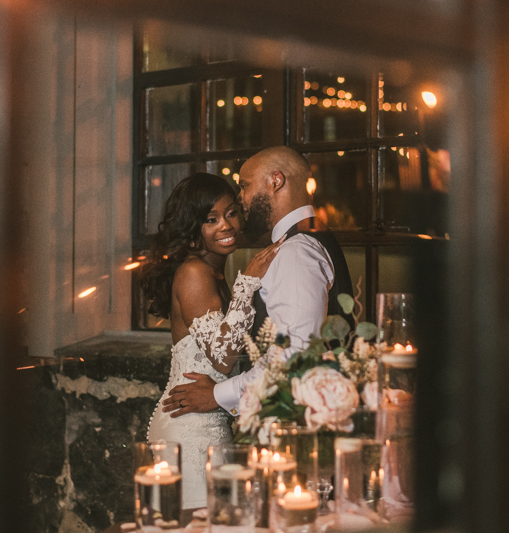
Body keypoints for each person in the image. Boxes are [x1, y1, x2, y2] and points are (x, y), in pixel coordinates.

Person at [162, 146, 354, 422]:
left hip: (292, 420)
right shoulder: (308, 239)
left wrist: (217, 395)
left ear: (275, 181)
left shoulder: (295, 251)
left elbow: (293, 356)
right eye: (212, 219)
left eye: (245, 186)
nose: (241, 199)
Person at [141, 172, 282, 509]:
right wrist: (247, 284)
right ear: (192, 231)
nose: (227, 226)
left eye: (231, 213)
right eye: (211, 219)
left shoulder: (213, 273)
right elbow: (222, 358)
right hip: (190, 429)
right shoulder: (194, 273)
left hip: (208, 418)